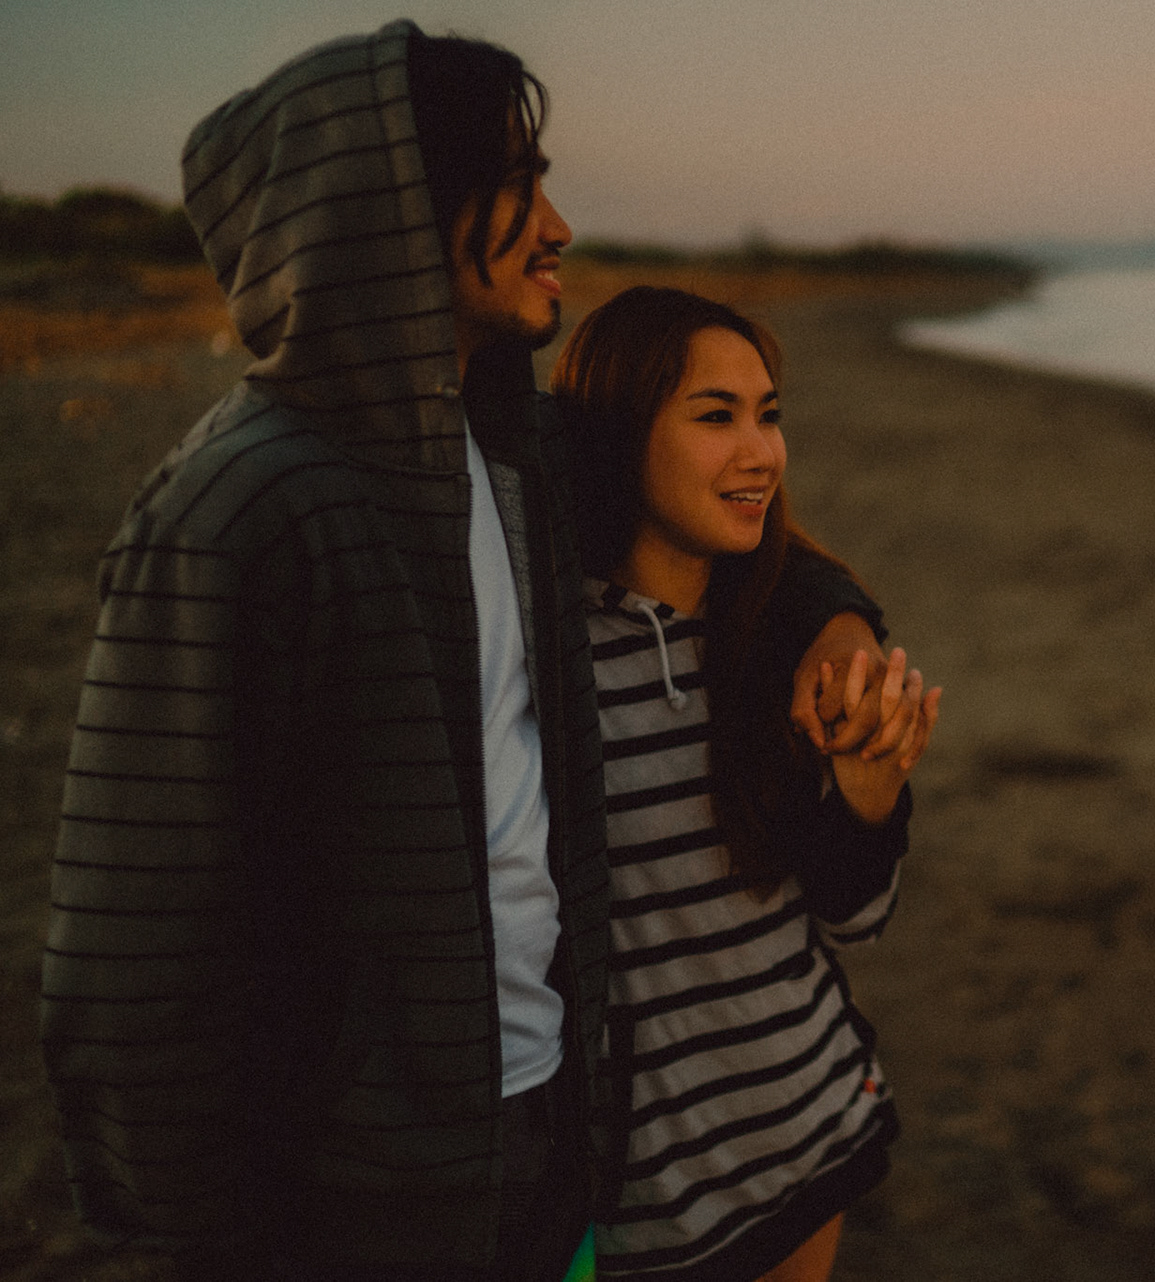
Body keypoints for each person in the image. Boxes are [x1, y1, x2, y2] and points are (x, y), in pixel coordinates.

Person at [39, 25, 880, 1282]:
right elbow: (135, 954)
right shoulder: (238, 512)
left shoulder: (517, 450)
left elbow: (722, 502)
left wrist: (834, 617)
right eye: (519, 182)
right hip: (358, 1189)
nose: (558, 225)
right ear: (395, 209)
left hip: (557, 1138)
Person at [551, 286, 938, 1282]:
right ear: (618, 430)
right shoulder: (545, 663)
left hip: (806, 1128)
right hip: (643, 1194)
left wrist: (869, 786)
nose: (759, 453)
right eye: (715, 416)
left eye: (769, 415)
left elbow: (855, 915)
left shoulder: (780, 648)